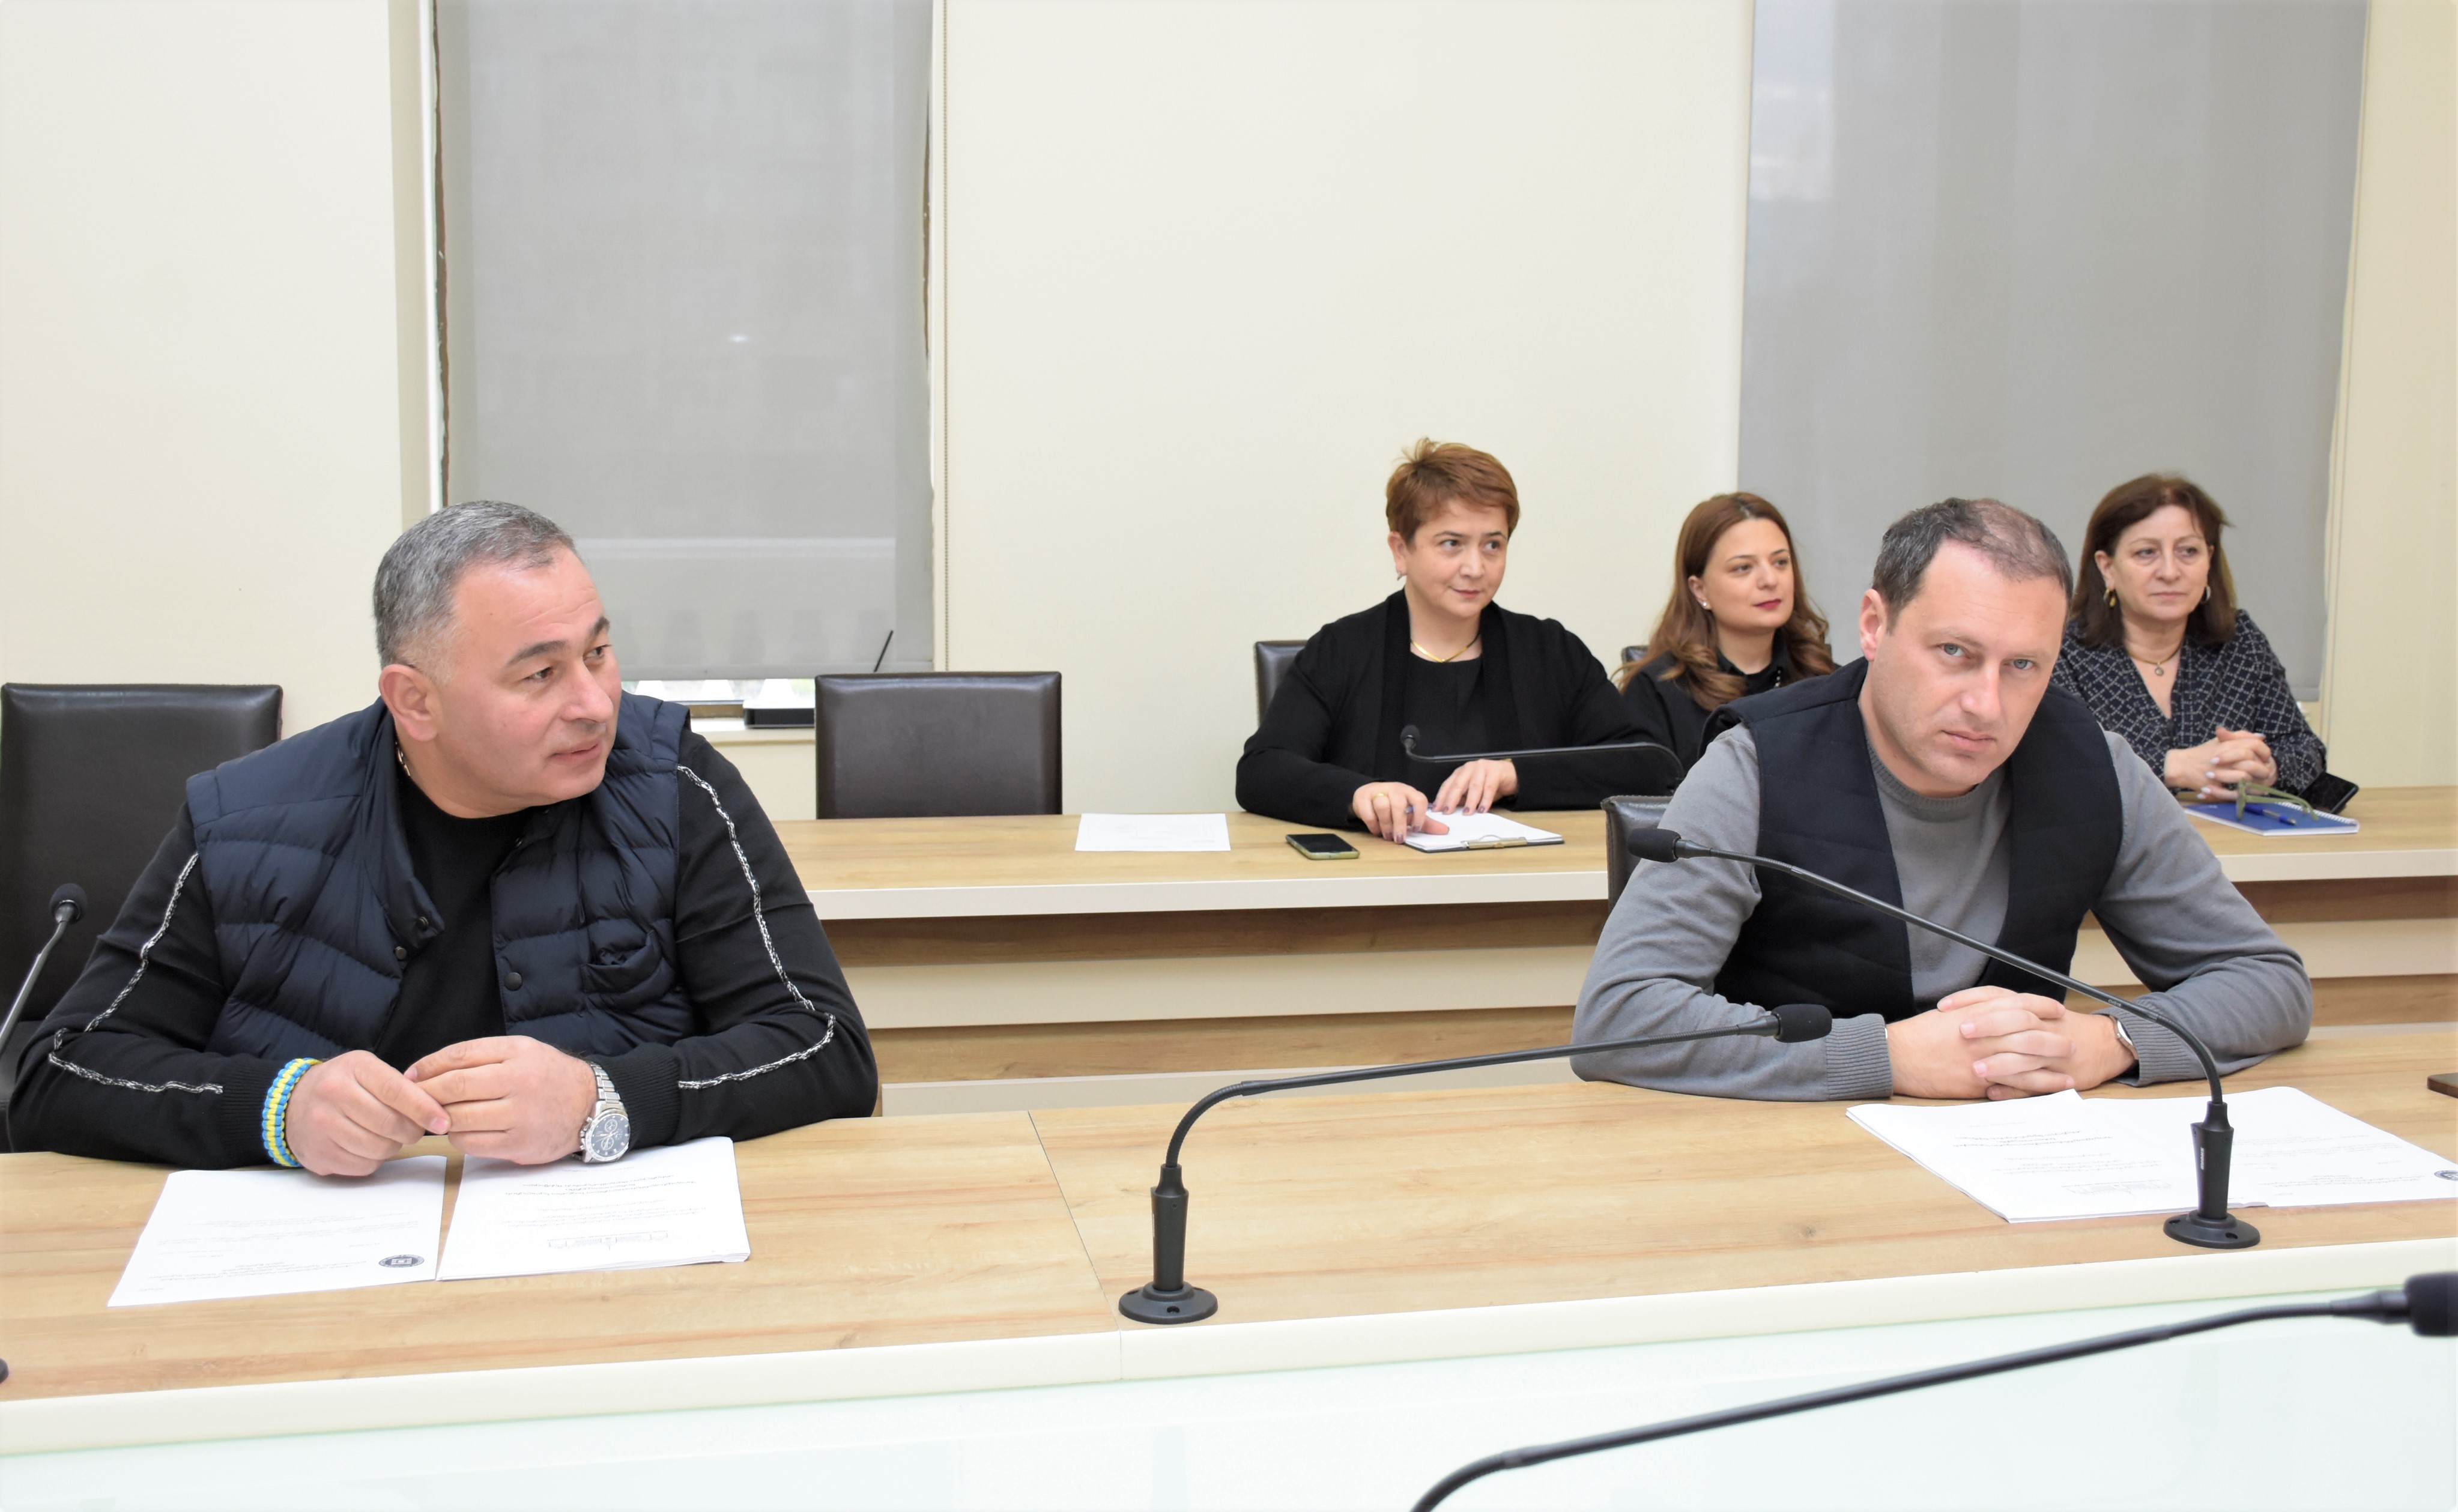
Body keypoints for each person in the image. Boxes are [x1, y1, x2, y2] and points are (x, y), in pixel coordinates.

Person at [8, 503, 877, 1172]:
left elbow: (825, 1046)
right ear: (415, 700)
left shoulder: (670, 781)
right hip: (327, 1282)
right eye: (540, 674)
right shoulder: (245, 820)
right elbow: (60, 1071)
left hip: (601, 1261)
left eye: (598, 653)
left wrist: (601, 1099)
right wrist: (279, 1109)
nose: (594, 703)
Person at [1573, 497, 2309, 1102]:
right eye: (1955, 652)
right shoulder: (1754, 766)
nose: (1986, 704)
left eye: (2023, 665)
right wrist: (1884, 1057)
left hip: (2020, 1165)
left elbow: (2267, 981)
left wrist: (2112, 1039)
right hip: (1793, 1159)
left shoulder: (2096, 765)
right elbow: (1620, 1018)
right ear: (1874, 625)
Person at [1238, 440, 1660, 842]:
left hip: (1521, 873)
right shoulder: (1342, 650)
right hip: (1377, 874)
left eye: (1492, 545)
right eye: (1451, 544)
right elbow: (1262, 770)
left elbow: (1648, 764)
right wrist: (1357, 795)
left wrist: (1516, 775)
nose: (1475, 567)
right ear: (1401, 551)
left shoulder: (1550, 651)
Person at [2052, 473, 2327, 802]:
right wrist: (2172, 766)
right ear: (2107, 568)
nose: (2170, 572)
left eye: (2188, 551)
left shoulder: (2239, 642)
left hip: (2229, 834)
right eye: (2146, 552)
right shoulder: (2061, 651)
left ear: (2209, 560)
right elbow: (2054, 767)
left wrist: (2268, 768)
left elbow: (2305, 749)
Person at [1614, 492, 1836, 776]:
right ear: (1700, 590)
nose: (1770, 580)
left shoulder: (1830, 682)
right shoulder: (1656, 693)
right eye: (1743, 568)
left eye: (1780, 562)